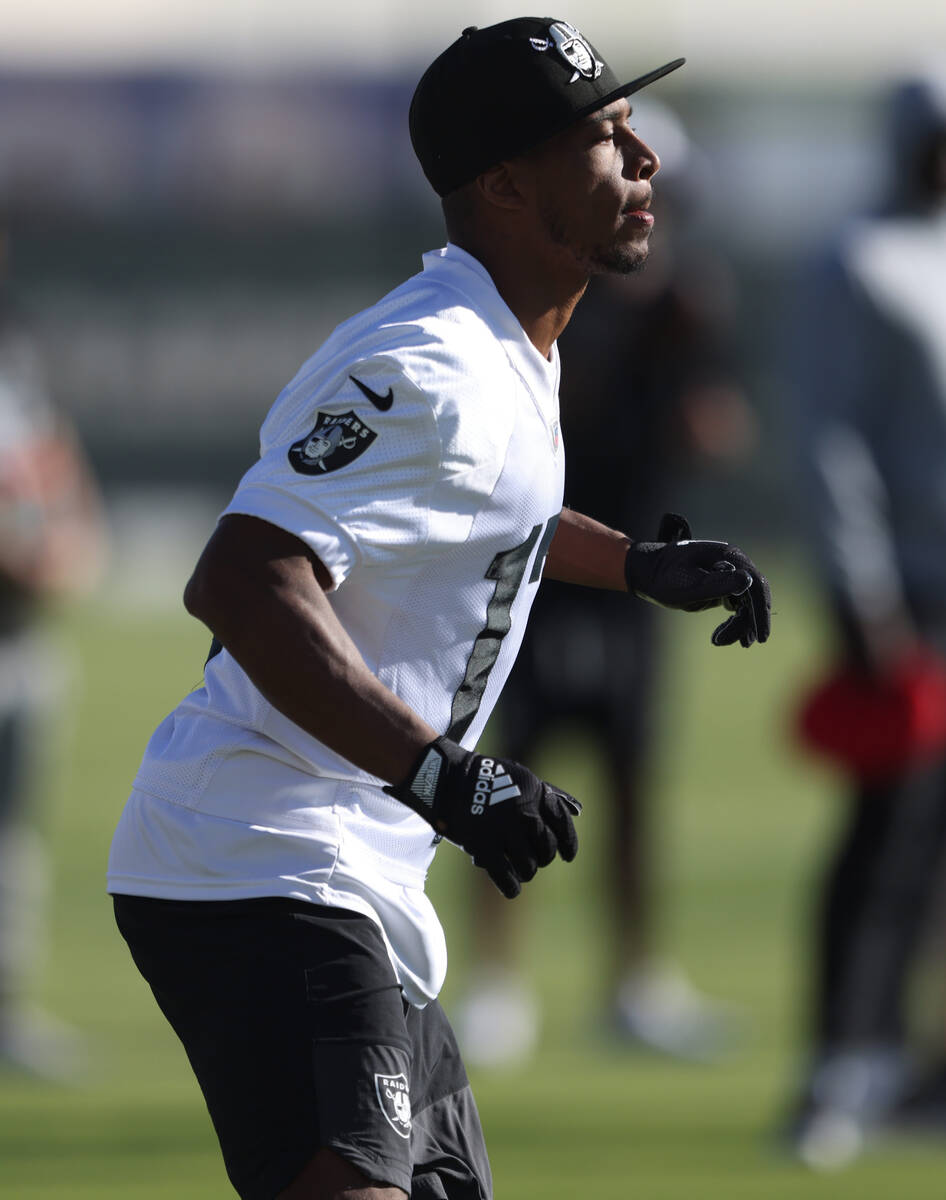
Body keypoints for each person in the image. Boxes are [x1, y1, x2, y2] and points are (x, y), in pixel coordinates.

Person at [107, 19, 772, 1200]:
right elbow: (244, 579)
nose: (643, 160)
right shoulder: (431, 362)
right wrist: (440, 773)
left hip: (349, 874)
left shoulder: (514, 348)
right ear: (507, 184)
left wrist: (630, 566)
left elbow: (474, 516)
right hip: (261, 859)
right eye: (602, 138)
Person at [453, 100, 757, 1067]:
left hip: (642, 568)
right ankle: (495, 984)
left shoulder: (683, 306)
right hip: (537, 574)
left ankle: (635, 981)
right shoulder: (544, 309)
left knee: (631, 783)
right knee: (504, 772)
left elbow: (714, 428)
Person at [785, 68, 946, 1168]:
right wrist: (863, 595)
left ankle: (921, 1075)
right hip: (910, 592)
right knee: (889, 838)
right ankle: (841, 1066)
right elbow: (829, 437)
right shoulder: (859, 261)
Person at [0, 224, 106, 1077]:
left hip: (22, 638)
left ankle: (6, 1011)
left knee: (14, 843)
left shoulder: (18, 367)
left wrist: (70, 543)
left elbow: (54, 467)